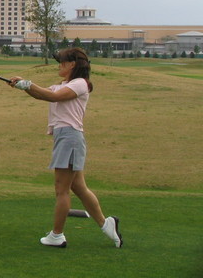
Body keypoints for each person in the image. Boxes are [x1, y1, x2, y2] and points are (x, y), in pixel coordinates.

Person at [8, 47, 123, 248]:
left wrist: (28, 84)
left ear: (73, 64)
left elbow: (54, 97)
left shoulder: (79, 84)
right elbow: (42, 94)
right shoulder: (64, 84)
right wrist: (23, 85)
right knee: (78, 187)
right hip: (65, 137)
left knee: (61, 190)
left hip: (69, 137)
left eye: (62, 61)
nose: (59, 64)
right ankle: (106, 225)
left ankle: (57, 235)